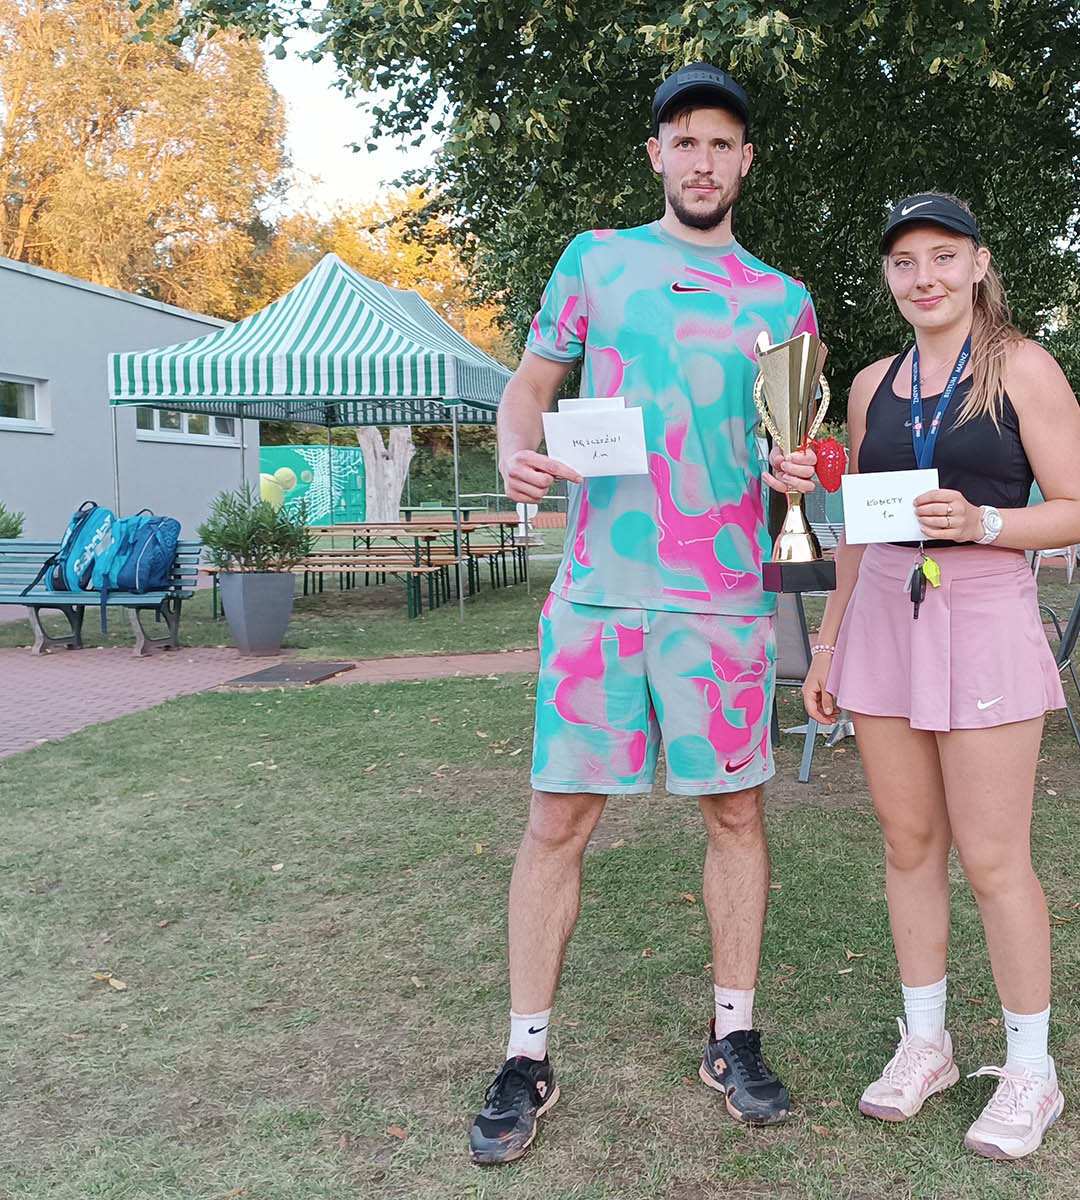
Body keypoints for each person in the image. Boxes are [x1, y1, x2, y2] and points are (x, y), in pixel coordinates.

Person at [471, 62, 820, 1165]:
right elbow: (529, 386)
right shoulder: (596, 260)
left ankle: (734, 1037)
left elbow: (790, 441)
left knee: (736, 817)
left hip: (723, 600)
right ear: (657, 155)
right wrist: (515, 451)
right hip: (599, 595)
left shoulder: (783, 300)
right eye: (685, 141)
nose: (702, 160)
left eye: (722, 143)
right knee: (556, 823)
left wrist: (796, 472)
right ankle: (525, 1055)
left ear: (745, 162)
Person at [799, 192, 1080, 1160]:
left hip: (983, 611)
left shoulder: (1022, 367)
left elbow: (1078, 508)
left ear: (977, 263)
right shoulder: (869, 385)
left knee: (993, 857)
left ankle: (1031, 1071)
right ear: (888, 277)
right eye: (903, 262)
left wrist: (986, 522)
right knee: (908, 843)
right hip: (888, 616)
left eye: (941, 256)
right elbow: (857, 527)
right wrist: (829, 643)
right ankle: (925, 1045)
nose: (922, 277)